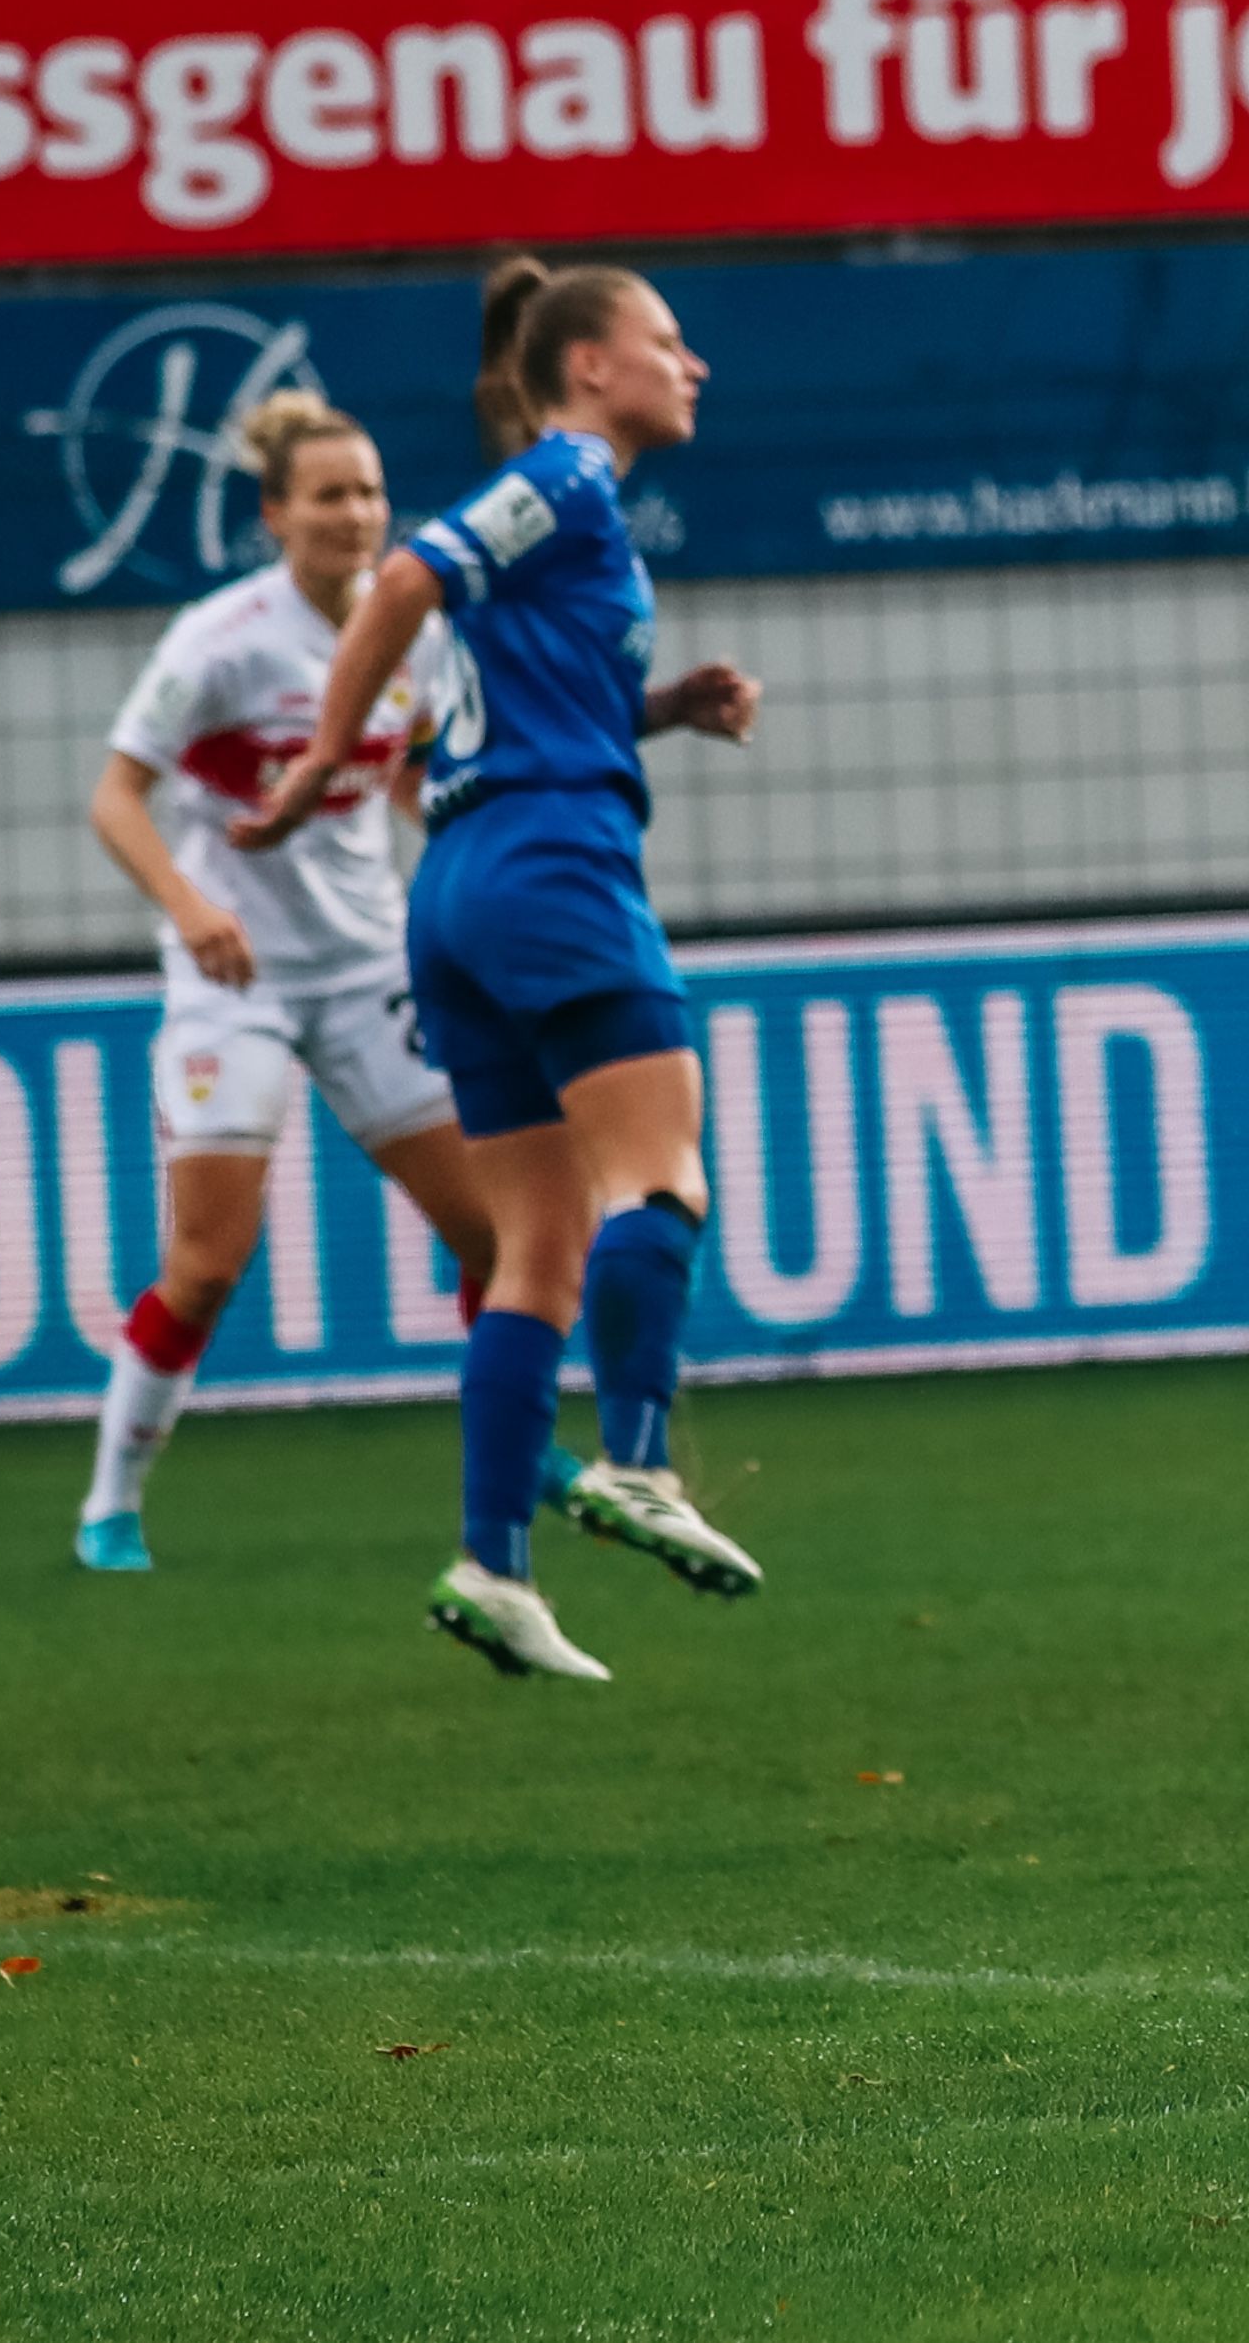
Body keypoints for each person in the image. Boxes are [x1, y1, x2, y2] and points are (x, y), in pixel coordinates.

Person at [235, 262, 771, 1683]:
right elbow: (408, 572)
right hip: (552, 869)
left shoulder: (577, 514)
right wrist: (311, 777)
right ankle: (645, 1460)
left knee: (533, 1249)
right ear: (590, 364)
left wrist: (660, 708)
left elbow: (519, 700)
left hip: (460, 883)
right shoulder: (574, 476)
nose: (692, 361)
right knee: (660, 1175)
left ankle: (494, 1563)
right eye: (667, 338)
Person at [72, 394, 509, 1575]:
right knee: (207, 1268)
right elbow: (116, 797)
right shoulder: (221, 642)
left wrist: (470, 878)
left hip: (371, 969)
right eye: (329, 494)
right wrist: (192, 906)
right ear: (275, 515)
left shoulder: (413, 631)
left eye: (369, 491)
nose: (356, 514)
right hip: (238, 985)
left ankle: (513, 1459)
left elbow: (413, 775)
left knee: (493, 1237)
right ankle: (111, 1503)